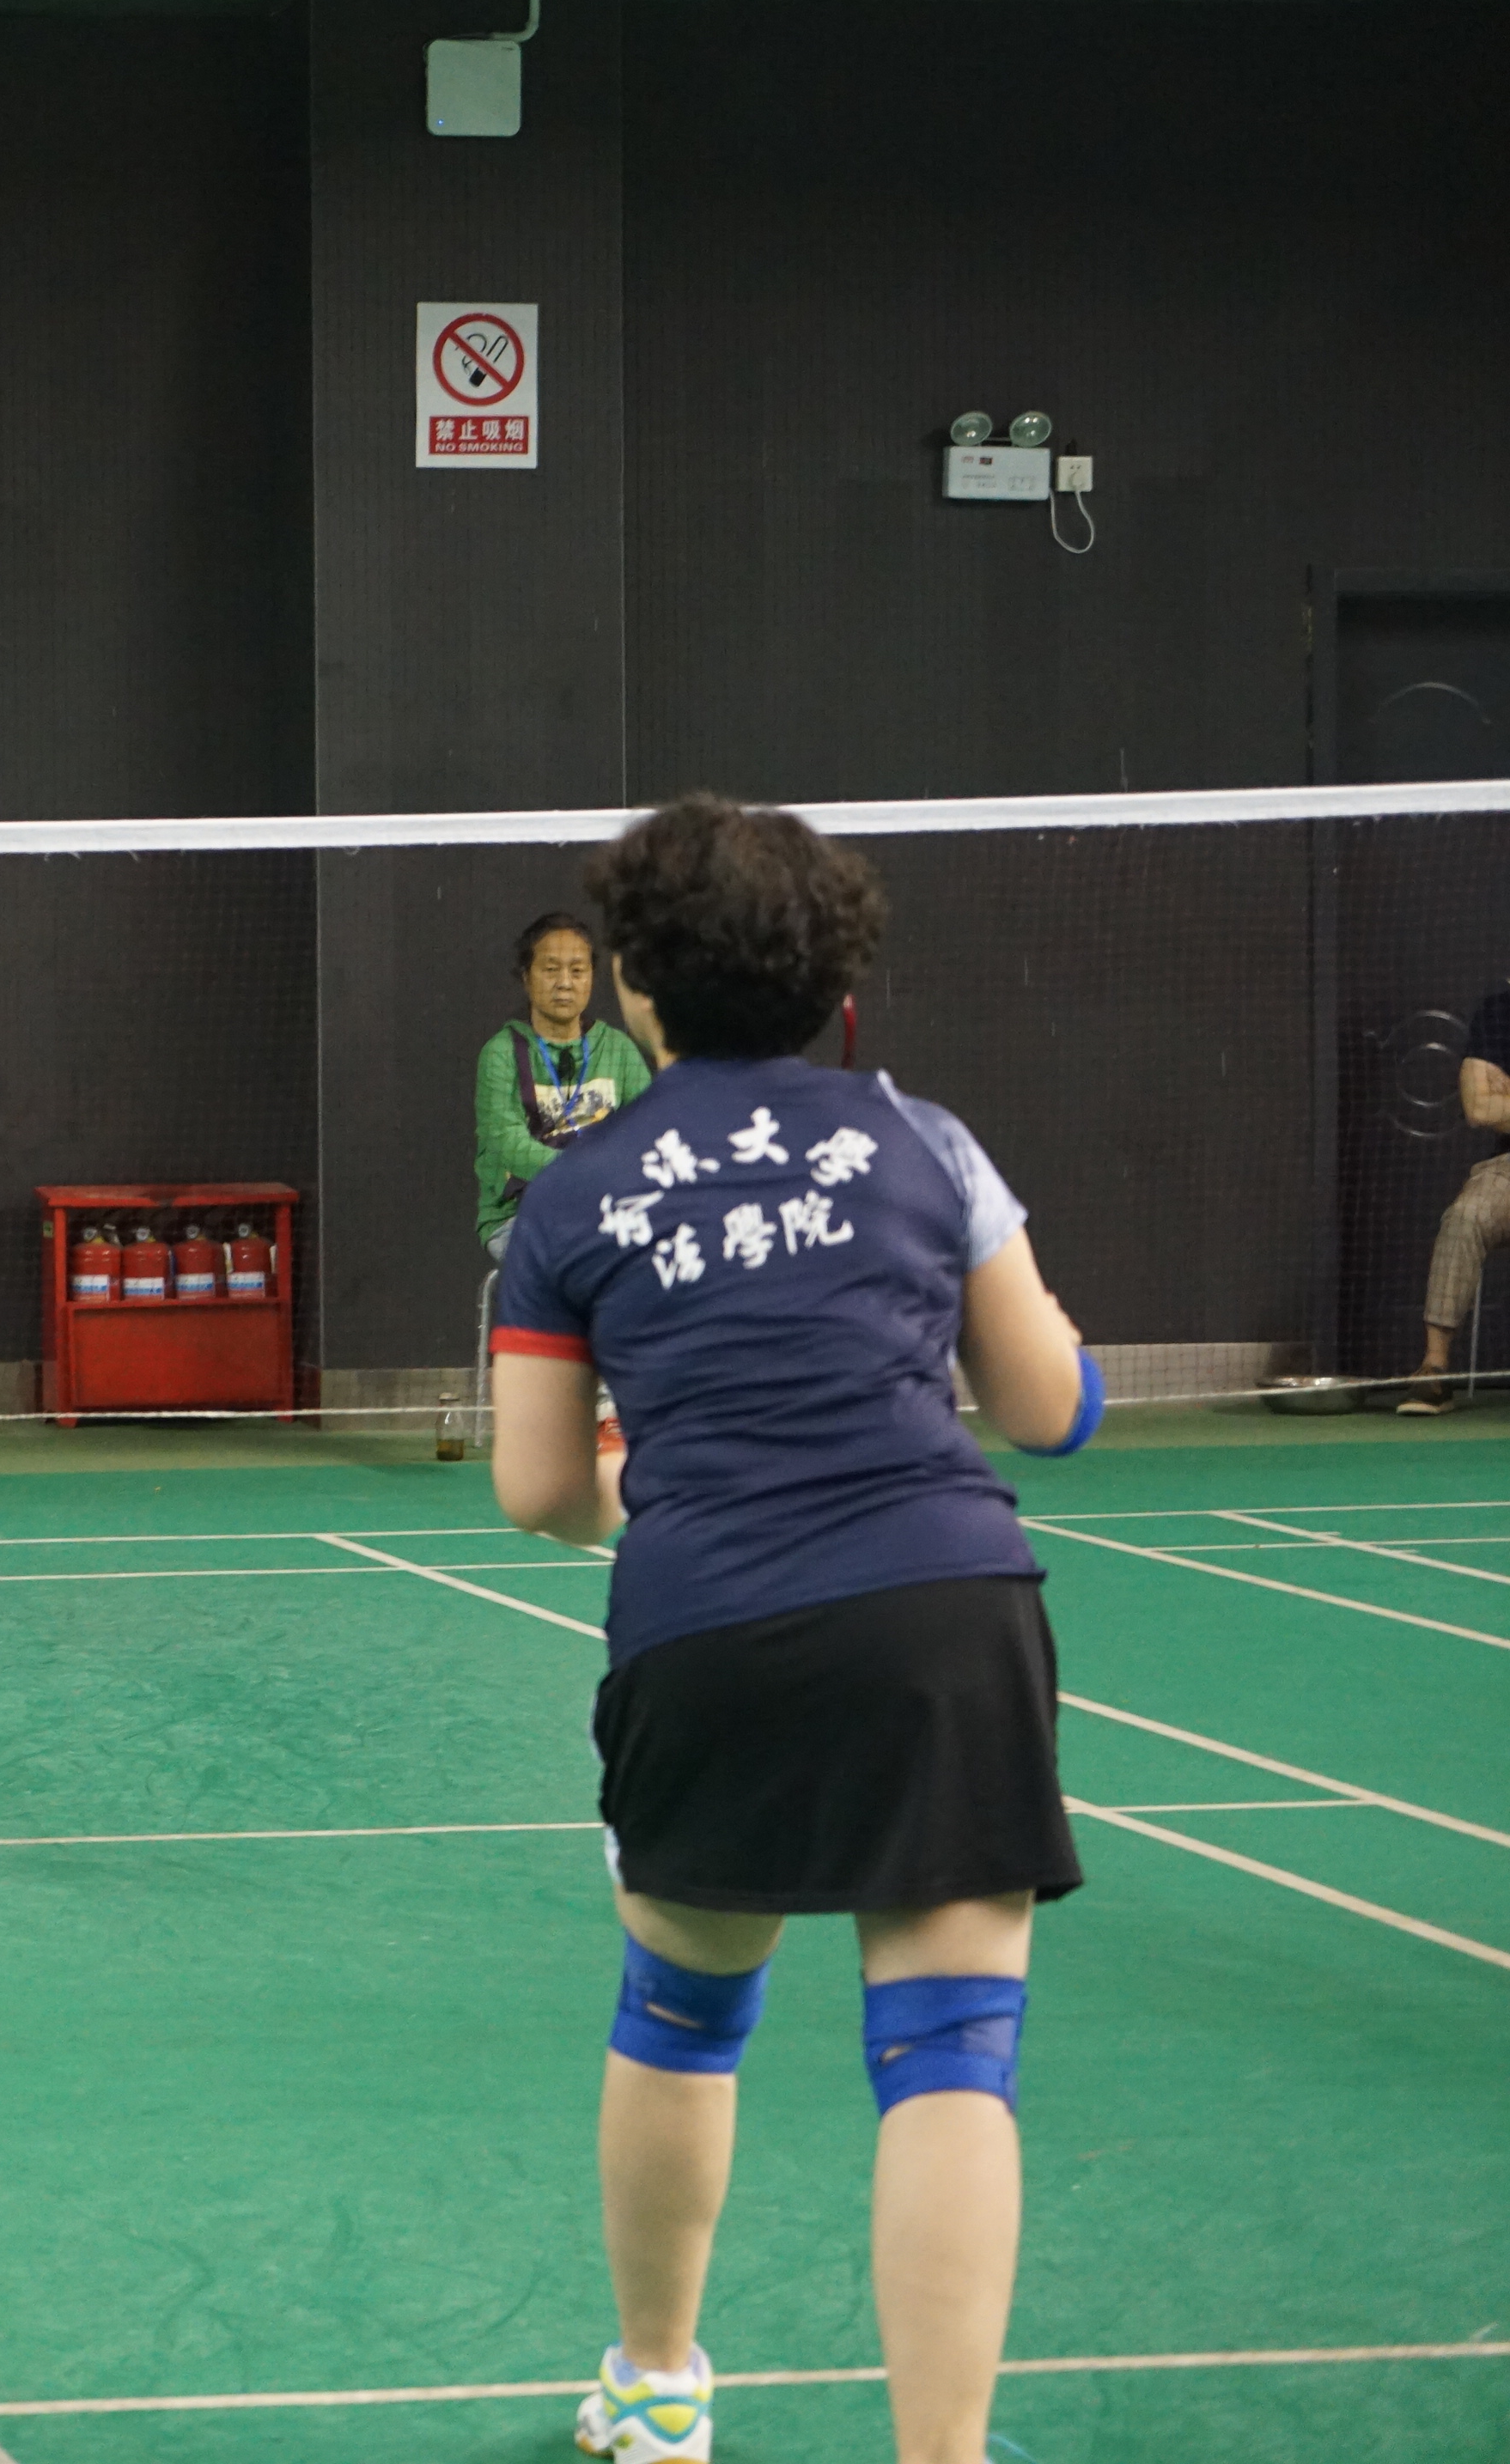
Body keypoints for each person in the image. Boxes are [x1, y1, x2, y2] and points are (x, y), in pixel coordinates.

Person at [488, 793, 1096, 2464]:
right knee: (952, 2053)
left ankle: (656, 2387)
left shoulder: (572, 1197)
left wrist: (675, 1493)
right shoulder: (926, 1142)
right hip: (946, 1613)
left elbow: (537, 1488)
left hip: (708, 1629)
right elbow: (1047, 1406)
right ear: (837, 982)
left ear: (635, 986)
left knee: (681, 2014)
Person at [475, 910, 653, 1258]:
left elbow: (648, 1132)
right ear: (526, 977)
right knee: (582, 1264)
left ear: (592, 978)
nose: (565, 983)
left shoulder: (618, 1049)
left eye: (577, 971)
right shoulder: (501, 1054)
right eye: (551, 969)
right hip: (520, 1216)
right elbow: (507, 1142)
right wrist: (586, 1174)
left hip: (607, 1210)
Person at [1397, 982, 1510, 1412]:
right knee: (1465, 1216)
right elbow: (1480, 1108)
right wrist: (1494, 1102)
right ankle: (1434, 1368)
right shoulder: (1500, 1011)